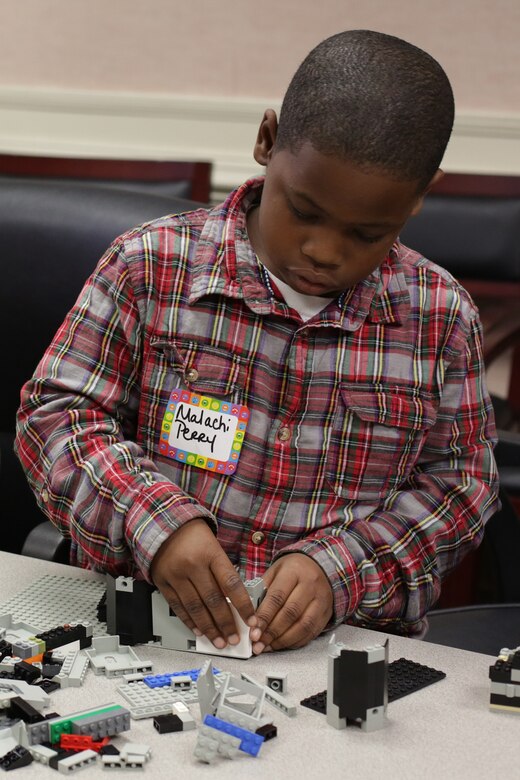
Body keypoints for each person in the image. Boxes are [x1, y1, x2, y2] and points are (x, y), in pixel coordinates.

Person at [15, 29, 499, 655]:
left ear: (422, 194)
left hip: (337, 653)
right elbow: (56, 418)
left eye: (367, 232)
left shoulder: (439, 317)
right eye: (303, 210)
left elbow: (462, 485)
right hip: (141, 637)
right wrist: (154, 523)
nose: (324, 252)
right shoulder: (150, 267)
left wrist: (343, 567)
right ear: (267, 141)